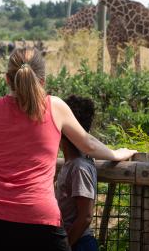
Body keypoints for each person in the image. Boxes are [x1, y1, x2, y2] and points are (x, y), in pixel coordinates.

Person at [0, 47, 136, 251]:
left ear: (6, 79)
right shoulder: (54, 106)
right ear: (43, 81)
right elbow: (88, 144)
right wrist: (117, 153)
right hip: (37, 216)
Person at [56, 95, 98, 251]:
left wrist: (66, 245)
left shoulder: (79, 167)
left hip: (79, 243)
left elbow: (85, 217)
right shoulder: (72, 164)